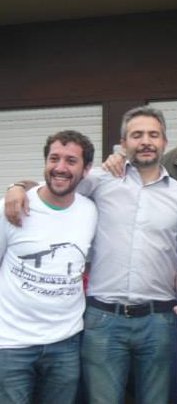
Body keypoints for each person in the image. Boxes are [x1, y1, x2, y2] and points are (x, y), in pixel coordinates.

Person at [6, 107, 177, 403]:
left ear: (164, 142)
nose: (145, 141)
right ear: (123, 143)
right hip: (104, 320)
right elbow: (56, 183)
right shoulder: (100, 181)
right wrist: (15, 188)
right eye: (137, 135)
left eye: (153, 135)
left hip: (159, 321)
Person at [0, 130, 97, 403]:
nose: (60, 168)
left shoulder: (90, 211)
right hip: (12, 344)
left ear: (86, 169)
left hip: (65, 343)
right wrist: (15, 186)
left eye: (71, 161)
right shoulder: (12, 208)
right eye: (54, 159)